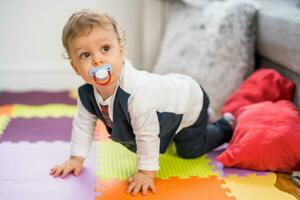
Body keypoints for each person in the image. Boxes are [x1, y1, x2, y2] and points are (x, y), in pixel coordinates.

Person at [49, 9, 235, 196]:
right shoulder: (87, 95)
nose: (98, 60)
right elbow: (82, 124)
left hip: (188, 101)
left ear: (120, 52)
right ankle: (205, 119)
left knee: (189, 150)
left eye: (105, 49)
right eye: (85, 55)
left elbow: (147, 134)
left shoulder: (136, 94)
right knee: (159, 133)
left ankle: (224, 125)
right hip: (167, 94)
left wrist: (146, 172)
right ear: (75, 67)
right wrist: (76, 157)